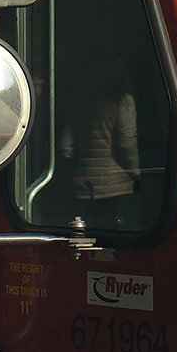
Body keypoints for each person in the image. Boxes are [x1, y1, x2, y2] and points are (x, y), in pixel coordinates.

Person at [60, 58, 142, 228]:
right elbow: (127, 143)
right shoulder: (123, 101)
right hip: (117, 187)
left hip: (84, 186)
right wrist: (136, 173)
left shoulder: (77, 102)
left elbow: (65, 147)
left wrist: (78, 170)